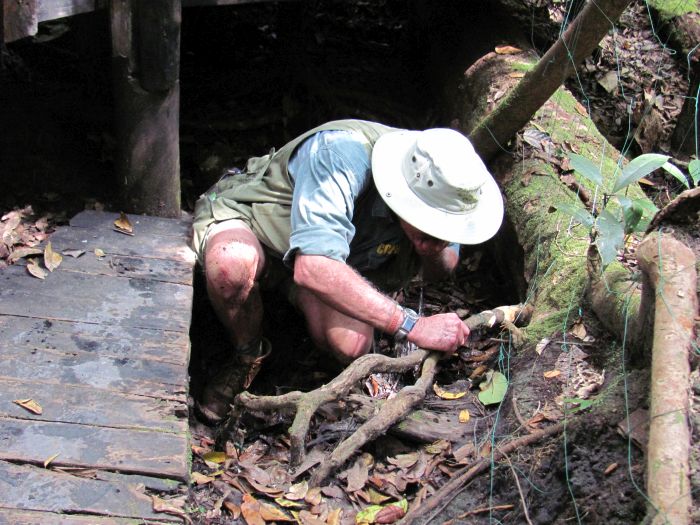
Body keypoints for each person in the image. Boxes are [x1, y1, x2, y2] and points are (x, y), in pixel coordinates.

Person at [191, 119, 504, 423]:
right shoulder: (341, 153)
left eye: (442, 224)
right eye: (428, 218)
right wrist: (412, 325)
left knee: (349, 344)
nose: (436, 229)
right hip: (257, 221)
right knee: (232, 265)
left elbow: (444, 267)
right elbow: (314, 267)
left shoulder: (451, 189)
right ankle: (247, 354)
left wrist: (433, 246)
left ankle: (280, 281)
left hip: (321, 258)